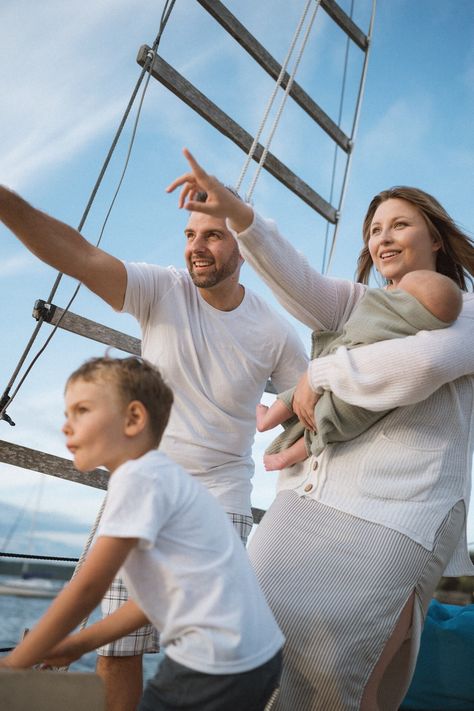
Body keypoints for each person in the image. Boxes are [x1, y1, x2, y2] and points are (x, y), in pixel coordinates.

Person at [167, 149, 474, 711]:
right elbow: (298, 280)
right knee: (252, 651)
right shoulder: (361, 304)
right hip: (303, 507)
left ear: (435, 238)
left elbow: (423, 365)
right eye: (374, 229)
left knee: (343, 685)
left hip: (396, 516)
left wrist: (320, 372)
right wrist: (235, 210)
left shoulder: (466, 310)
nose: (384, 238)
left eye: (400, 224)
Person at [0, 181, 307, 709]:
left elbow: (310, 405)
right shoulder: (161, 289)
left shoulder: (274, 333)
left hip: (220, 499)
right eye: (190, 234)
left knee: (211, 639)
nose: (196, 245)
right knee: (119, 648)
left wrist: (285, 451)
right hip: (147, 489)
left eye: (213, 235)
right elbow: (76, 254)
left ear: (243, 247)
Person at [0, 356, 283, 711]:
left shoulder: (138, 478)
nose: (66, 427)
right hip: (256, 657)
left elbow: (88, 589)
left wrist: (15, 663)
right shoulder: (163, 476)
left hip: (215, 667)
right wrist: (76, 645)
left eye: (81, 411)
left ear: (133, 419)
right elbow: (149, 604)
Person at [257, 269, 462, 471]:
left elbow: (364, 329)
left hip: (347, 371)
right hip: (360, 402)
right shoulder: (429, 330)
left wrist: (319, 371)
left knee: (299, 401)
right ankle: (285, 456)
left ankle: (266, 420)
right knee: (327, 425)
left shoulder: (386, 311)